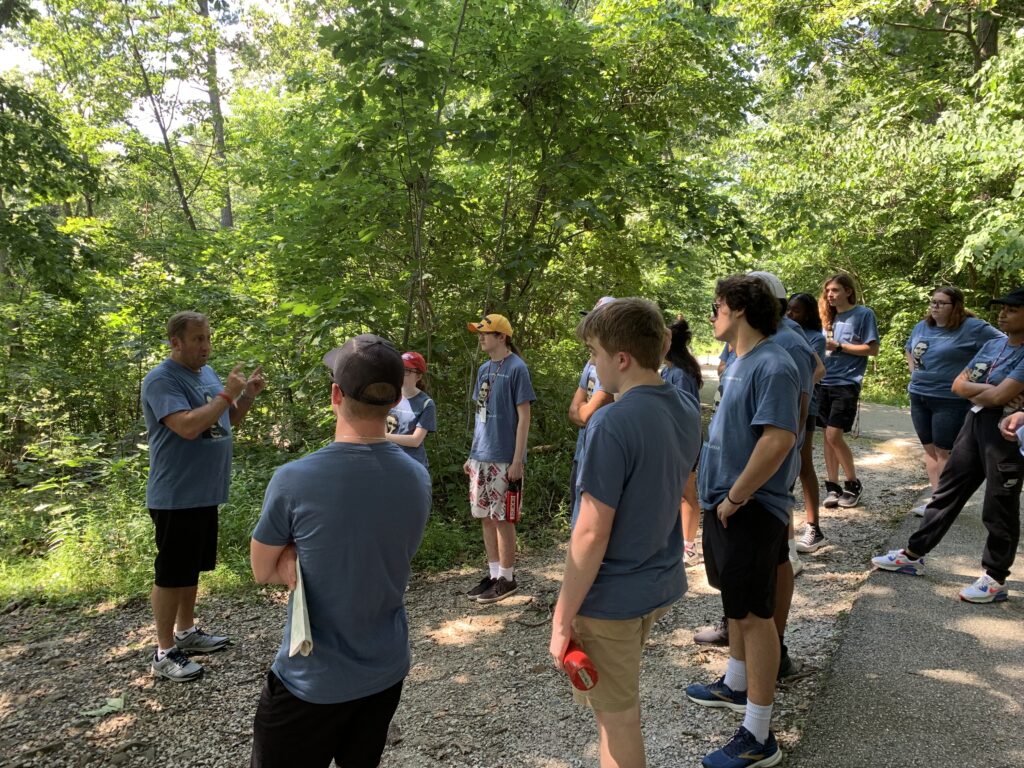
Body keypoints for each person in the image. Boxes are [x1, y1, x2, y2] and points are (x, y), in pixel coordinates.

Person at [249, 334, 430, 767]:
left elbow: (261, 568)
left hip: (310, 681)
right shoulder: (415, 477)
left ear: (335, 395)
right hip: (385, 672)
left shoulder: (295, 479)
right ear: (392, 403)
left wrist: (292, 555)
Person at [549, 298, 700, 768]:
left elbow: (591, 533)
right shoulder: (685, 408)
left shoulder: (611, 422)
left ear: (622, 358)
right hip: (654, 583)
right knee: (612, 710)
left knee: (619, 720)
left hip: (611, 598)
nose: (592, 364)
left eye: (594, 353)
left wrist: (561, 619)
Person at [686, 275, 800, 768]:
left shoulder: (773, 363)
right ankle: (735, 683)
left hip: (749, 508)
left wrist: (734, 498)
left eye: (716, 306)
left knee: (755, 617)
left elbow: (778, 440)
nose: (711, 315)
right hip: (731, 506)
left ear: (737, 308)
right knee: (737, 606)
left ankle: (759, 735)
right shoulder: (740, 360)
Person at [872, 287, 1024, 604]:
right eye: (1003, 308)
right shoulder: (995, 344)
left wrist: (984, 391)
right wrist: (991, 391)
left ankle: (995, 579)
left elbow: (997, 397)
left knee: (999, 507)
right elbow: (959, 385)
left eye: (1012, 309)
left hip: (1007, 431)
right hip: (976, 421)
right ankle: (913, 555)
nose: (1003, 313)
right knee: (947, 491)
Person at [142, 311, 265, 682]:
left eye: (208, 337)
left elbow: (228, 420)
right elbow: (189, 426)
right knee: (171, 571)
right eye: (197, 339)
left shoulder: (207, 375)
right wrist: (227, 392)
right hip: (175, 494)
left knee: (191, 567)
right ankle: (164, 652)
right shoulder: (161, 379)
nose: (206, 346)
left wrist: (245, 397)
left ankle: (187, 631)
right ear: (175, 342)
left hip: (204, 492)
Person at [904, 287, 1003, 515]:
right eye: (933, 302)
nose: (935, 307)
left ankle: (946, 502)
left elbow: (1004, 344)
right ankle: (936, 501)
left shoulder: (973, 328)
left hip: (949, 399)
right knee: (929, 449)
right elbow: (909, 349)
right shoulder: (923, 326)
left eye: (941, 303)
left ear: (956, 306)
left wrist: (979, 377)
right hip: (919, 395)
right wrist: (914, 372)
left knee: (944, 451)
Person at [464, 314, 536, 603]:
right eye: (479, 333)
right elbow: (480, 416)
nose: (481, 338)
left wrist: (518, 459)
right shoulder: (484, 369)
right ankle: (493, 574)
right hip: (481, 455)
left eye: (486, 333)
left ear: (502, 337)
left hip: (505, 457)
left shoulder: (517, 368)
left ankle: (507, 577)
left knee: (503, 517)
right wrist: (472, 454)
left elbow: (524, 417)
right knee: (484, 517)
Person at [818, 273, 879, 508]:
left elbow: (872, 349)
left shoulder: (863, 314)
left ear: (848, 292)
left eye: (834, 290)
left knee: (834, 435)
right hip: (823, 382)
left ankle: (853, 484)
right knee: (826, 436)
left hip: (846, 382)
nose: (830, 295)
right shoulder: (826, 317)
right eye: (828, 291)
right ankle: (832, 486)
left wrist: (840, 346)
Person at [787, 293, 829, 551]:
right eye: (789, 309)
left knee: (803, 465)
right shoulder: (780, 333)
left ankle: (814, 527)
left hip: (805, 407)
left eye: (797, 310)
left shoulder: (814, 338)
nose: (791, 314)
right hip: (783, 406)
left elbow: (817, 371)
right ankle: (786, 532)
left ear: (809, 313)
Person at [662, 315, 703, 568]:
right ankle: (678, 542)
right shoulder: (669, 370)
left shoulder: (680, 374)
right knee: (675, 494)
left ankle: (689, 547)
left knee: (687, 494)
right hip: (671, 440)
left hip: (683, 441)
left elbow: (686, 413)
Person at [568, 298, 615, 515]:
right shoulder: (590, 362)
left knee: (590, 518)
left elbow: (587, 414)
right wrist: (583, 411)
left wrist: (583, 410)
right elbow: (574, 411)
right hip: (582, 451)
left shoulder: (612, 364)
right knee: (576, 514)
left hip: (601, 453)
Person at [384, 351, 437, 468]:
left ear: (418, 376)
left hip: (412, 466)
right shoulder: (390, 397)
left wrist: (382, 436)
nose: (401, 374)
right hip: (388, 462)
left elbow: (415, 440)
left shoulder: (426, 404)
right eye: (400, 369)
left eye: (407, 370)